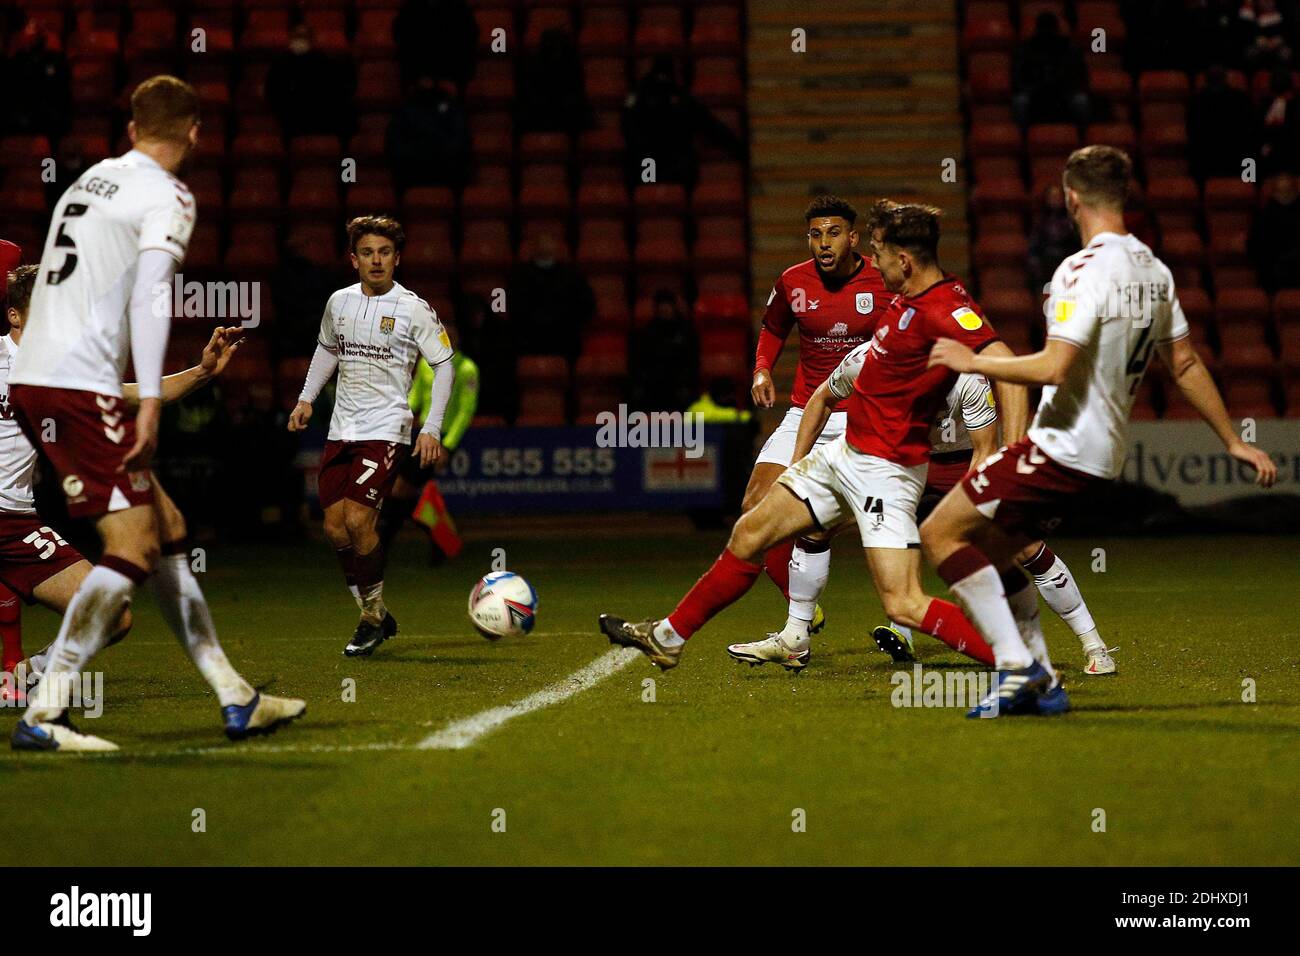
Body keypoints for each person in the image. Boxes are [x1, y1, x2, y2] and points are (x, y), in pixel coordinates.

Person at [924, 145, 1276, 718]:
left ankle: (1019, 668)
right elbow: (1183, 363)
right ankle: (1041, 682)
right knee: (996, 546)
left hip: (1062, 447)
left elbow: (1054, 367)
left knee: (941, 535)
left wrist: (974, 362)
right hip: (1101, 456)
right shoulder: (1152, 270)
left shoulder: (1079, 270)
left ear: (1071, 197)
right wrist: (1233, 440)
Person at [7, 76, 305, 751]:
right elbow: (149, 298)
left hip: (39, 379)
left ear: (133, 128)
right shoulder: (168, 196)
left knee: (166, 523)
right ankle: (45, 709)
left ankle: (236, 696)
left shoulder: (88, 183)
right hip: (77, 386)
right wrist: (144, 404)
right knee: (133, 544)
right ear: (195, 131)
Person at [599, 203, 1020, 673]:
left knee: (903, 603)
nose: (873, 264)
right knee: (750, 531)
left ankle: (1021, 666)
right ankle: (669, 637)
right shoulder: (901, 299)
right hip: (845, 453)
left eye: (879, 253)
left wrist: (1012, 449)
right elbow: (831, 381)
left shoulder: (948, 308)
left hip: (887, 470)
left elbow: (1010, 371)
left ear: (903, 260)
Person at [5, 267, 250, 702]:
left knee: (113, 616)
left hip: (16, 523)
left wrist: (202, 371)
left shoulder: (64, 373)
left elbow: (138, 393)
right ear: (14, 317)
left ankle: (29, 678)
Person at [288, 215, 456, 657]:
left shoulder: (413, 307)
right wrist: (306, 399)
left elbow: (444, 364)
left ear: (397, 258)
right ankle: (377, 613)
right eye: (367, 253)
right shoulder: (338, 302)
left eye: (384, 252)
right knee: (334, 528)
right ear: (354, 259)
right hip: (342, 428)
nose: (376, 260)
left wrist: (432, 427)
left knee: (360, 521)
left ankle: (369, 618)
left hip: (387, 428)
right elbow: (327, 349)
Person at [737, 196, 887, 644]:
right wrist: (762, 368)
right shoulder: (792, 282)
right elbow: (774, 327)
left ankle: (897, 620)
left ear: (853, 237)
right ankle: (803, 609)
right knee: (754, 510)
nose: (823, 243)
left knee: (856, 518)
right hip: (807, 412)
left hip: (864, 416)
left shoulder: (882, 281)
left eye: (833, 233)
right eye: (815, 234)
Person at [376, 326, 479, 562]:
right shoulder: (425, 365)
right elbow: (415, 398)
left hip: (440, 439)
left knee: (401, 489)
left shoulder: (467, 369)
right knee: (401, 491)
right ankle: (439, 539)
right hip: (419, 435)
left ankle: (381, 547)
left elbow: (466, 411)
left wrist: (448, 446)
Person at [508, 231, 595, 363]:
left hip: (564, 340)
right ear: (533, 247)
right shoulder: (518, 275)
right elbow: (501, 302)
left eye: (549, 242)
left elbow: (588, 304)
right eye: (541, 242)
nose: (545, 245)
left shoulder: (572, 275)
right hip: (528, 340)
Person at [265, 23, 357, 140]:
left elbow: (331, 89)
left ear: (311, 40)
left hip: (318, 115)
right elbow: (273, 91)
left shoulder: (321, 61)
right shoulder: (280, 63)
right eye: (296, 36)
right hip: (291, 117)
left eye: (303, 37)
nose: (299, 41)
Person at [1011, 12, 1090, 127]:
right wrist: (1034, 86)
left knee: (1081, 101)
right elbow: (1017, 79)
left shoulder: (1070, 49)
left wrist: (1065, 85)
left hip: (1064, 92)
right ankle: (1021, 137)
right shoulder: (1025, 49)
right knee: (1020, 102)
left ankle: (1084, 136)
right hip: (1034, 92)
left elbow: (1081, 77)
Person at [631, 290, 697, 412]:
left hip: (679, 386)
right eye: (661, 305)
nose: (664, 309)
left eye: (667, 305)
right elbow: (641, 362)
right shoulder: (647, 332)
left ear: (673, 307)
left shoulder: (686, 332)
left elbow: (692, 362)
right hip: (655, 386)